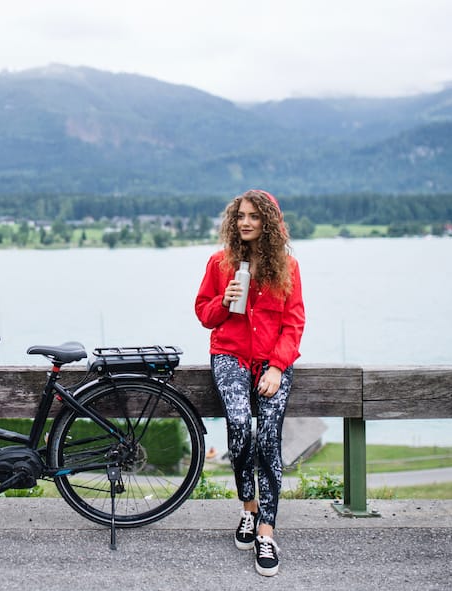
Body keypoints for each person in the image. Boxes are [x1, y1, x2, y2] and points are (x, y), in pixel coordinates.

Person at [194, 189, 305, 577]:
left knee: (270, 438)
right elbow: (204, 315)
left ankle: (266, 531)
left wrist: (277, 367)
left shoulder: (287, 267)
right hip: (229, 355)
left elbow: (294, 325)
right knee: (240, 427)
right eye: (240, 215)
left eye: (255, 217)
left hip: (272, 361)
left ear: (269, 223)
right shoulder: (219, 262)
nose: (245, 222)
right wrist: (225, 300)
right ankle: (248, 508)